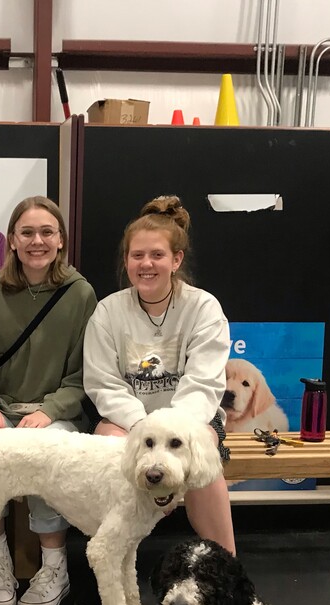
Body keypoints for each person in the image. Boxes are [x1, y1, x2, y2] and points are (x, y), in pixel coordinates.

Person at [0, 196, 98, 605]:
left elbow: (84, 374)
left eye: (46, 232)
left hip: (55, 411)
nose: (36, 241)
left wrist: (52, 409)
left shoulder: (80, 294)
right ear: (12, 240)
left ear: (60, 240)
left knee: (49, 455)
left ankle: (54, 567)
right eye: (27, 232)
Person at [84, 195, 236, 555]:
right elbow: (103, 383)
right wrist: (145, 429)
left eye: (157, 255)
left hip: (191, 421)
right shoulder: (107, 312)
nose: (146, 264)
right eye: (137, 256)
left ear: (176, 259)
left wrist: (168, 435)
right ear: (127, 261)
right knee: (110, 449)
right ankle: (112, 564)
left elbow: (204, 383)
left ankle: (227, 569)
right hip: (129, 421)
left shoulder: (203, 307)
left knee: (202, 461)